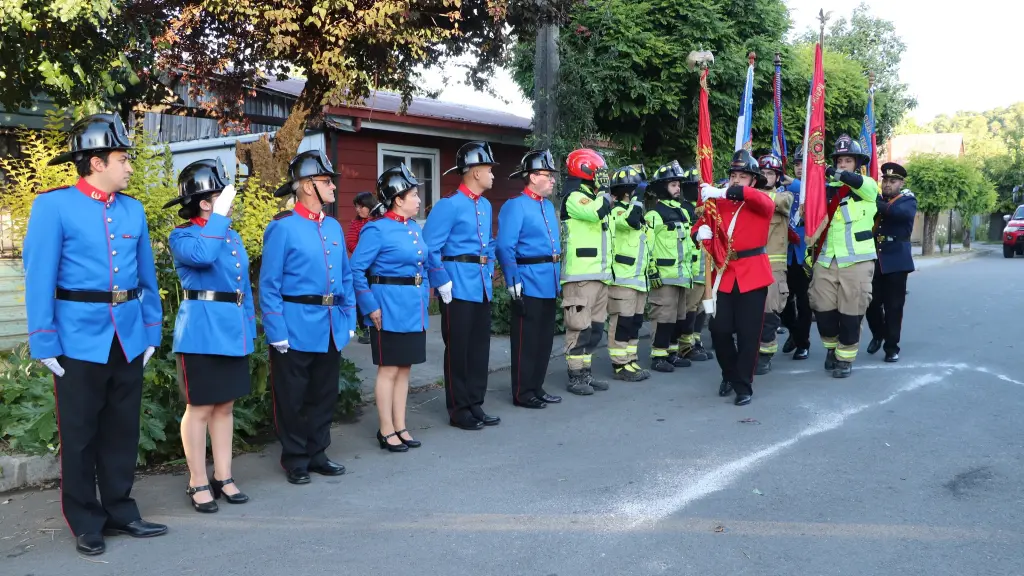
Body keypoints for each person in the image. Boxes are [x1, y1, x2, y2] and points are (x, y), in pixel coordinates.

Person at [24, 113, 166, 555]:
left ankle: (122, 510)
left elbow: (147, 278)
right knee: (81, 434)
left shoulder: (133, 209)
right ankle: (86, 519)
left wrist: (150, 331)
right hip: (77, 337)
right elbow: (38, 276)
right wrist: (44, 339)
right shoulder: (54, 206)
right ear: (96, 162)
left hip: (126, 335)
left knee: (122, 429)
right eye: (123, 158)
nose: (129, 167)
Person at [260, 149, 356, 484]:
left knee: (323, 392)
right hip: (295, 323)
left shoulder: (332, 226)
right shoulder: (282, 228)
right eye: (326, 181)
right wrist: (276, 330)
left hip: (330, 324)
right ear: (305, 186)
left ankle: (318, 452)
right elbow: (269, 284)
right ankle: (296, 457)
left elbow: (345, 276)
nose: (333, 187)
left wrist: (348, 316)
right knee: (292, 395)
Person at [164, 159, 253, 512]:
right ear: (205, 202)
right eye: (220, 195)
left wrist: (249, 326)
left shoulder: (229, 235)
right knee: (199, 408)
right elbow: (202, 256)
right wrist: (219, 217)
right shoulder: (183, 235)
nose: (227, 203)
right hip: (200, 331)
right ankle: (197, 480)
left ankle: (224, 476)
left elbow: (241, 287)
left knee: (225, 406)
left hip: (232, 328)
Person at [350, 164, 437, 451]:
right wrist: (369, 306)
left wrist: (426, 290)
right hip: (386, 308)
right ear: (398, 199)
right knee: (388, 369)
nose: (418, 200)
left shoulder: (413, 228)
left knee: (404, 368)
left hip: (413, 307)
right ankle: (385, 429)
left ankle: (400, 425)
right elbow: (355, 270)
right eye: (414, 194)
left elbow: (422, 265)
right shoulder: (377, 229)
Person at [423, 141, 497, 430]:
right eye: (489, 168)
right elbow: (430, 248)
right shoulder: (449, 205)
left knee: (480, 347)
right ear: (475, 171)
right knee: (459, 348)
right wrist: (441, 281)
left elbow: (489, 245)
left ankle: (475, 403)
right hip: (456, 286)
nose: (492, 174)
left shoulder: (486, 205)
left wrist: (489, 271)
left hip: (480, 284)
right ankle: (459, 409)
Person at [692, 150, 774, 406]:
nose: (737, 180)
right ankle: (729, 374)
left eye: (743, 176)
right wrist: (699, 234)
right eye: (733, 176)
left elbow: (759, 201)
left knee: (749, 335)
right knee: (719, 330)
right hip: (724, 274)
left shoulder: (759, 199)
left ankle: (743, 385)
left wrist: (722, 191)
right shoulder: (719, 202)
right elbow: (701, 224)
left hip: (753, 273)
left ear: (753, 180)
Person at [496, 149, 565, 408]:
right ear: (533, 176)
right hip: (527, 280)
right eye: (548, 175)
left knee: (545, 339)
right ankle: (523, 392)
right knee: (526, 340)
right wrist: (513, 281)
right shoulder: (515, 206)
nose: (553, 180)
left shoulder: (547, 206)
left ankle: (537, 386)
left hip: (548, 280)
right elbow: (505, 247)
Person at [807, 135, 879, 378]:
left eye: (848, 160)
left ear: (857, 163)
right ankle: (831, 347)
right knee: (822, 308)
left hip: (857, 260)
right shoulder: (824, 190)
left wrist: (828, 170)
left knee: (851, 310)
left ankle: (845, 358)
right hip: (827, 259)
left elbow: (851, 179)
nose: (842, 164)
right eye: (839, 160)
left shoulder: (867, 186)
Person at [559, 148, 613, 395]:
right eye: (599, 171)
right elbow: (597, 212)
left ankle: (586, 374)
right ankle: (575, 376)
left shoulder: (592, 197)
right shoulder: (574, 197)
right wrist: (603, 193)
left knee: (594, 330)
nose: (602, 176)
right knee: (579, 328)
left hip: (599, 275)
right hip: (580, 275)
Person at [644, 161, 695, 372]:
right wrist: (652, 269)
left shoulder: (682, 212)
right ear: (662, 187)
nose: (678, 189)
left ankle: (672, 353)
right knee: (663, 317)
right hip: (664, 276)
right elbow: (646, 245)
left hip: (682, 275)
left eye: (678, 185)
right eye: (673, 185)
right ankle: (658, 356)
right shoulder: (654, 214)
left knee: (678, 317)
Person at [866, 162, 917, 363]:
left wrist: (873, 203)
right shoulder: (878, 199)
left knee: (894, 306)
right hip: (875, 257)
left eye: (892, 181)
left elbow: (898, 213)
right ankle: (878, 334)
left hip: (896, 259)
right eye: (885, 180)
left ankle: (891, 347)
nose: (888, 184)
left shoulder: (907, 200)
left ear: (901, 183)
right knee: (870, 302)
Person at [606, 165, 650, 381]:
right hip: (622, 280)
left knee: (634, 323)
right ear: (627, 191)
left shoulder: (637, 212)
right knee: (622, 323)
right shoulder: (618, 211)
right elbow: (631, 221)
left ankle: (630, 359)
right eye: (637, 188)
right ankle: (619, 364)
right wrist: (639, 198)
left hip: (638, 280)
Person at [754, 154, 794, 375]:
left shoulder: (783, 197)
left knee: (769, 314)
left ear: (778, 177)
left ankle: (765, 355)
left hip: (774, 267)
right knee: (749, 314)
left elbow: (781, 202)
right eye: (761, 173)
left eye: (770, 173)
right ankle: (751, 350)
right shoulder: (747, 197)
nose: (766, 177)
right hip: (750, 264)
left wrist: (750, 192)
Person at [676, 165, 714, 362]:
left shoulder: (706, 209)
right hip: (691, 267)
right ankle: (685, 345)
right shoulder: (684, 210)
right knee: (690, 308)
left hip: (704, 266)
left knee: (700, 308)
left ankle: (695, 341)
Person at [781, 145, 811, 360]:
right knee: (782, 302)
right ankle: (794, 331)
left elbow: (812, 195)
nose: (800, 168)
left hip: (805, 254)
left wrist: (795, 183)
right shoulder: (785, 189)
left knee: (804, 302)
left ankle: (803, 343)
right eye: (798, 164)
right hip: (784, 253)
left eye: (804, 164)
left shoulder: (815, 188)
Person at [347, 191, 379, 344]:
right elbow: (351, 242)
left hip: (376, 266)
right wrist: (364, 253)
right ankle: (364, 328)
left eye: (361, 207)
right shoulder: (356, 223)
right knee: (361, 295)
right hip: (361, 265)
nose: (358, 210)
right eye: (356, 207)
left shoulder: (378, 222)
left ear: (369, 206)